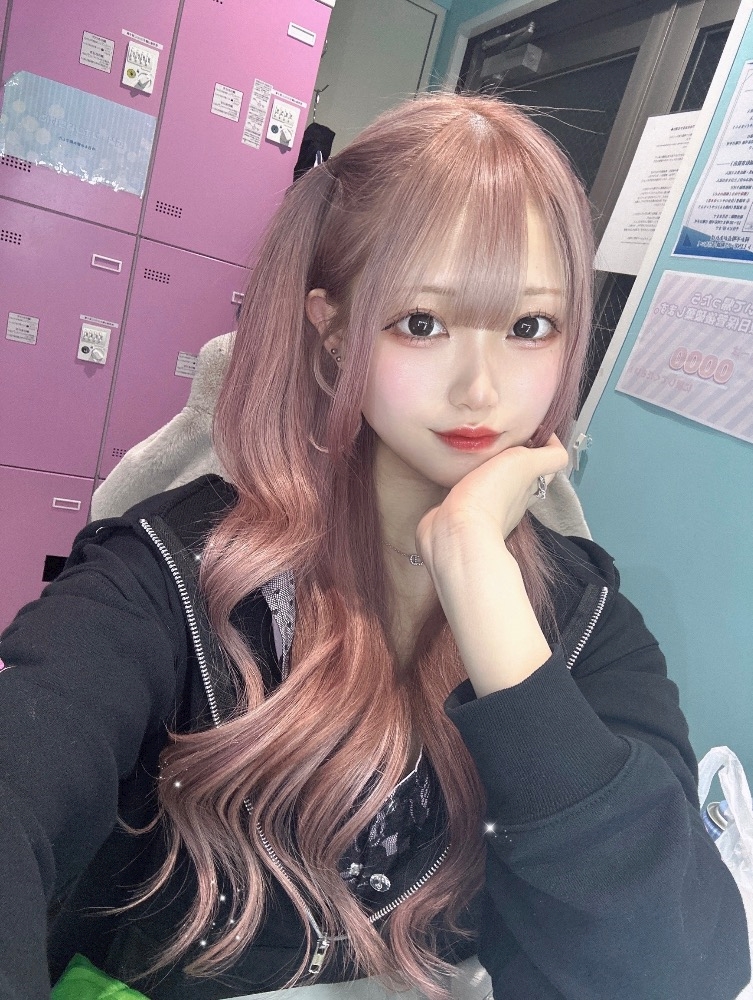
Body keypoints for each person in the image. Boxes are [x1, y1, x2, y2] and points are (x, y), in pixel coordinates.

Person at [0, 93, 748, 1000]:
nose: (481, 389)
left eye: (528, 328)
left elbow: (681, 970)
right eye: (422, 324)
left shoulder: (586, 621)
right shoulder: (176, 570)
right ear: (331, 334)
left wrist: (485, 593)